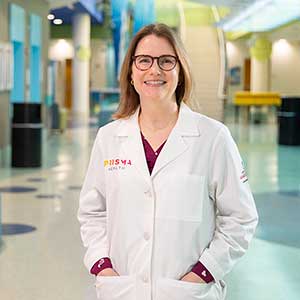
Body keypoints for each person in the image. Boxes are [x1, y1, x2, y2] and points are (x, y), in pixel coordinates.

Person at [78, 23, 258, 300]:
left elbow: (241, 217)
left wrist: (204, 271)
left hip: (187, 291)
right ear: (130, 73)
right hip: (122, 289)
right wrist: (101, 265)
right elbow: (93, 212)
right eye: (144, 61)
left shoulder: (213, 138)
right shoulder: (109, 138)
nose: (154, 70)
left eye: (166, 61)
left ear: (180, 71)